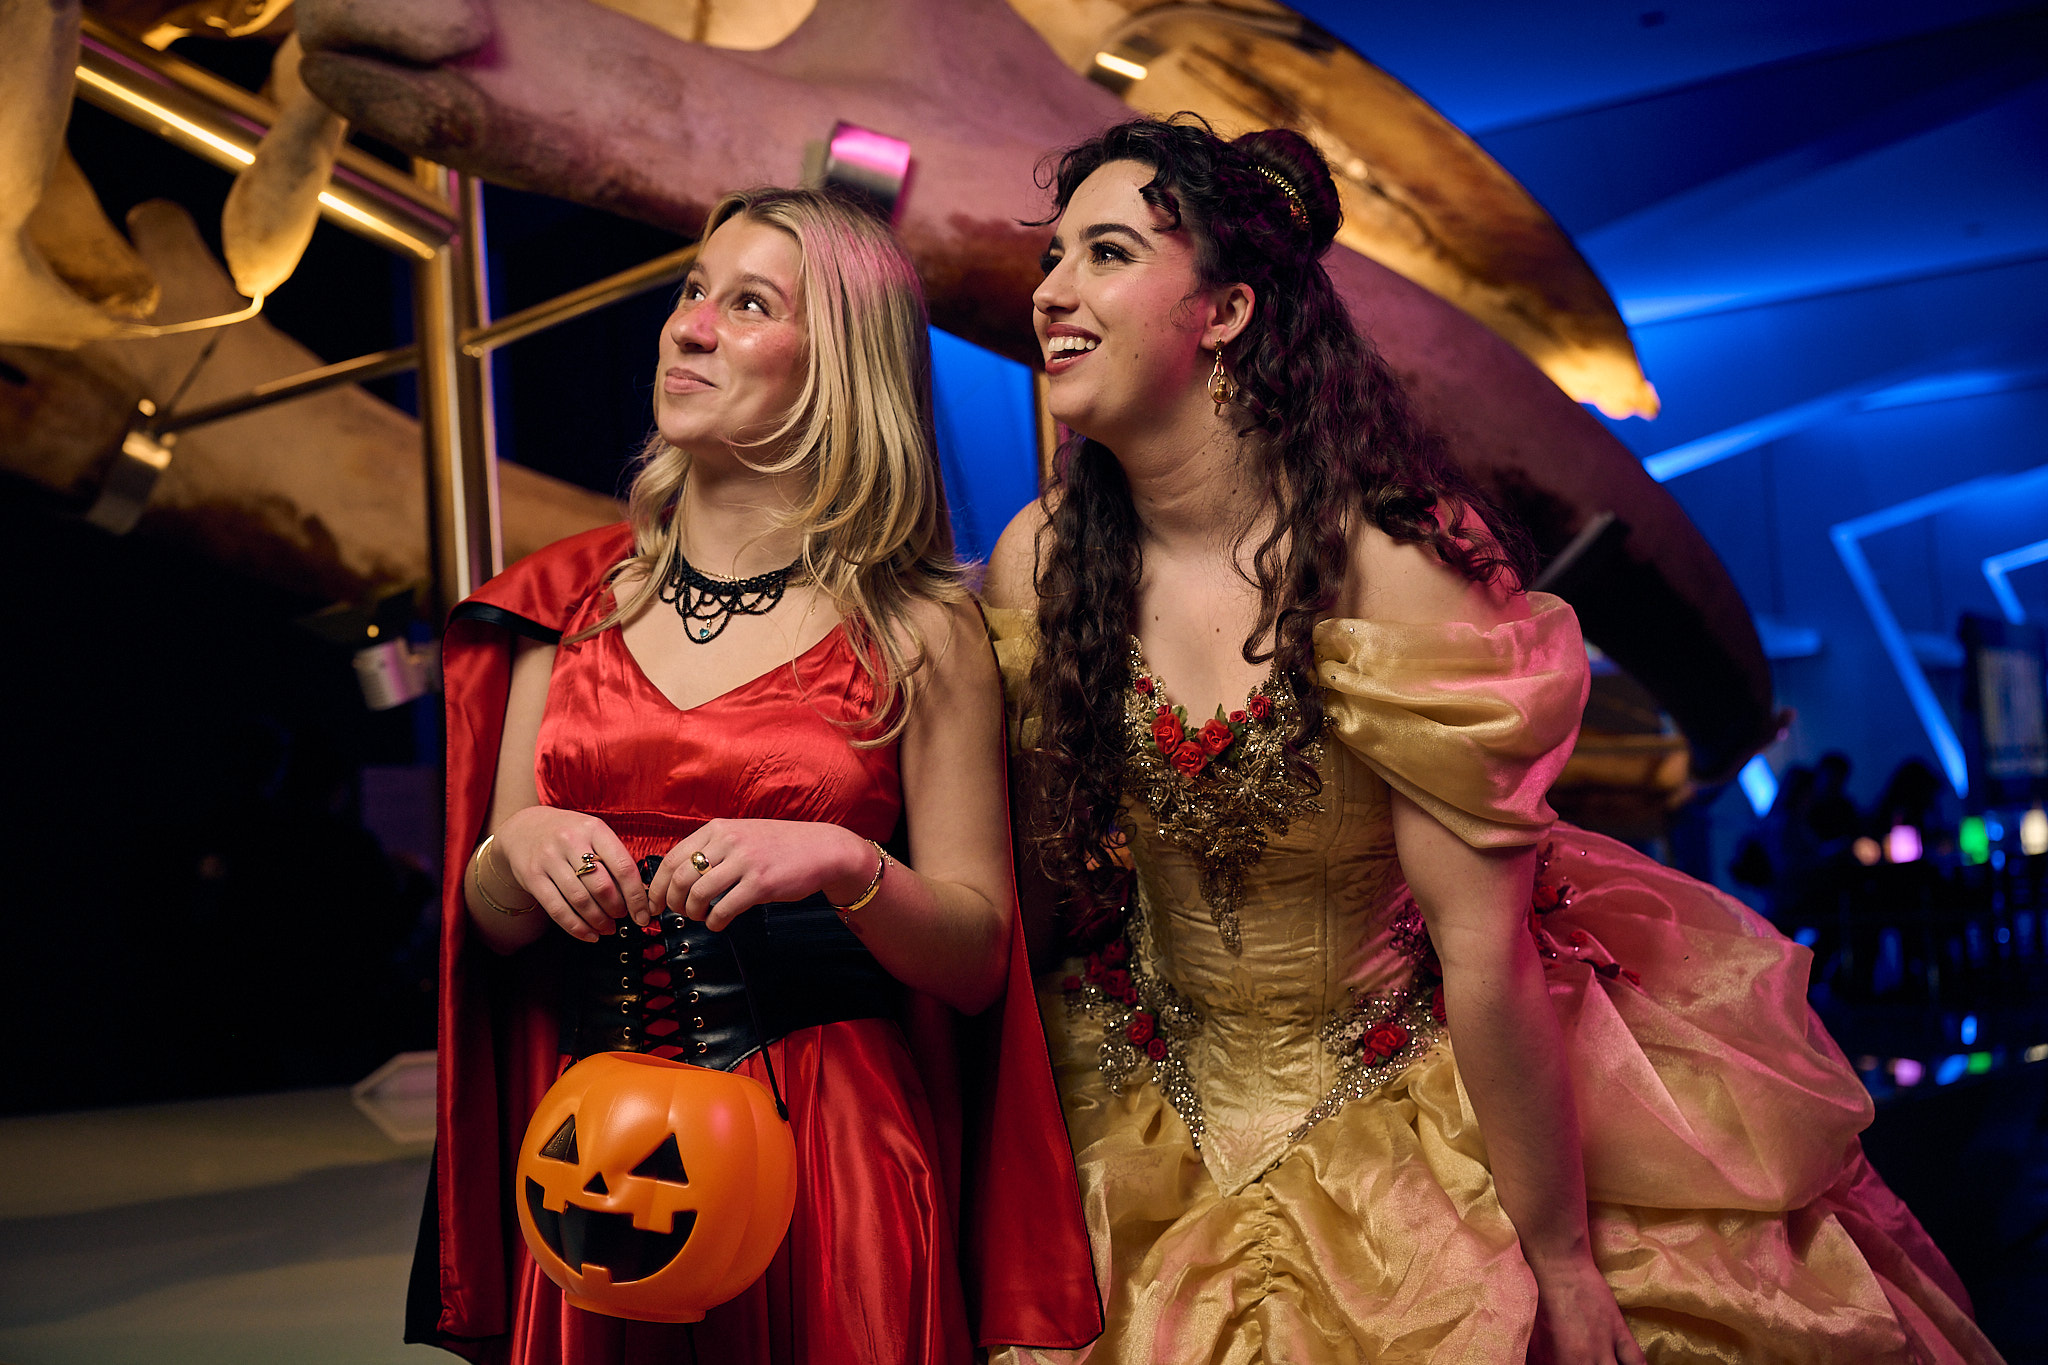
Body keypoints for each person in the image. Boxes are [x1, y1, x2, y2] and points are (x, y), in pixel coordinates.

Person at [983, 117, 1999, 1364]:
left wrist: (1560, 1263)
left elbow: (1481, 951)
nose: (1050, 290)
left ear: (1228, 311)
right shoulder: (1039, 560)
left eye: (1105, 252)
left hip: (1416, 1099)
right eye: (1052, 255)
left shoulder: (1396, 563)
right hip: (1136, 1089)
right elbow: (1040, 892)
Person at [408, 186, 1098, 1364]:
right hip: (596, 1161)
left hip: (833, 1157)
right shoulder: (564, 604)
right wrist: (510, 852)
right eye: (692, 292)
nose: (687, 326)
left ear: (838, 365)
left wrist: (844, 863)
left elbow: (979, 957)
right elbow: (495, 924)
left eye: (747, 305)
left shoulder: (917, 628)